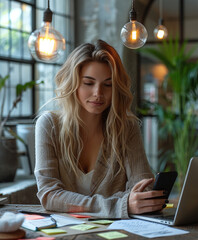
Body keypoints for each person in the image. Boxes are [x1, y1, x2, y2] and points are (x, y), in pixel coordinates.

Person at [35, 39, 167, 218]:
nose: (98, 93)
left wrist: (128, 202)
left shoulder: (126, 127)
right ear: (72, 83)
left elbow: (144, 187)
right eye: (88, 83)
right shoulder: (49, 125)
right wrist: (120, 205)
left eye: (108, 84)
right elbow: (49, 195)